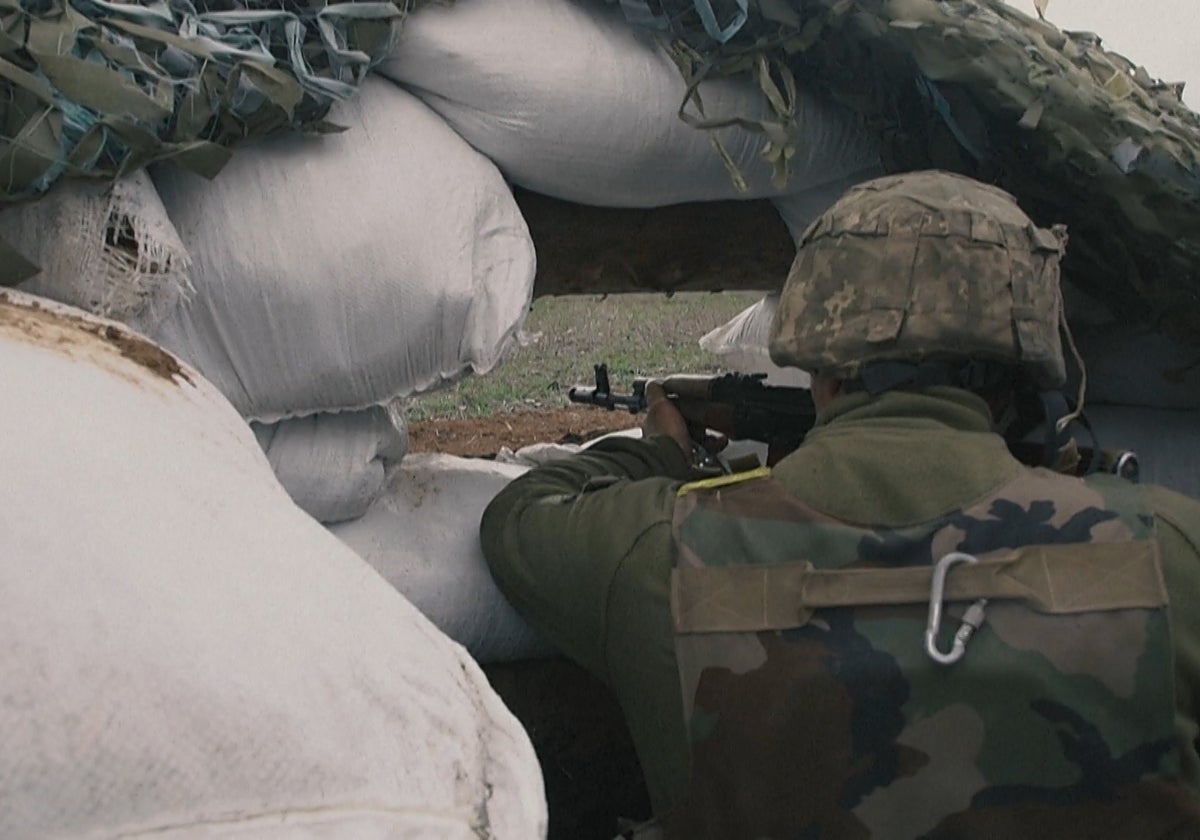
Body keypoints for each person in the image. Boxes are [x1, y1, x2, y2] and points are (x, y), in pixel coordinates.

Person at [479, 171, 1200, 838]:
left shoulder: (661, 553)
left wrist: (664, 453)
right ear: (1027, 366)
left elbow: (519, 517)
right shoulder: (1169, 549)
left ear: (818, 359)